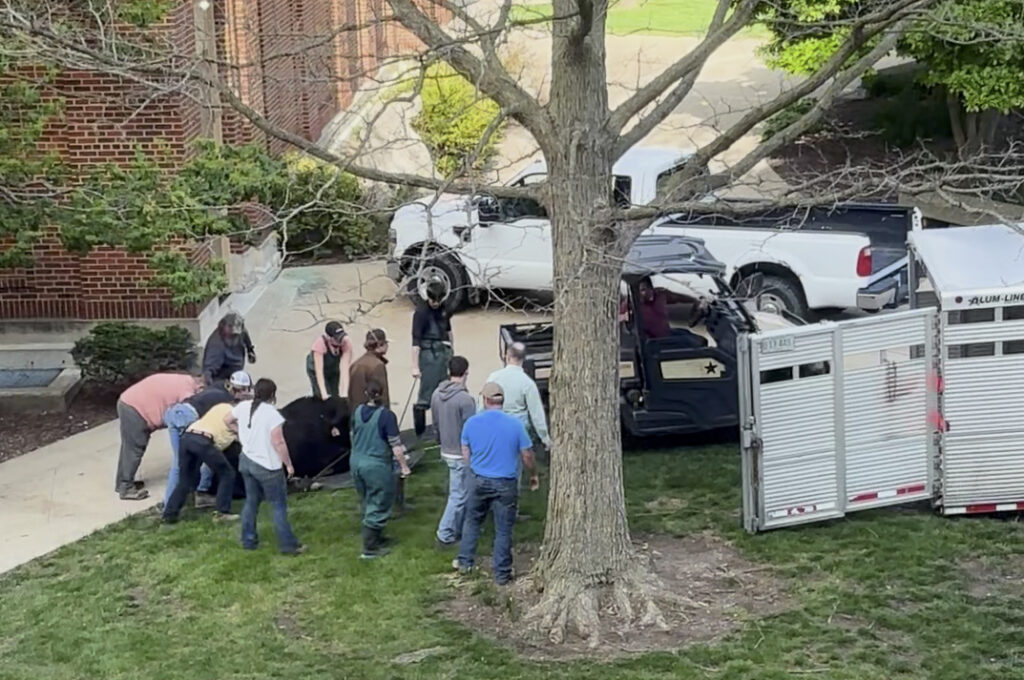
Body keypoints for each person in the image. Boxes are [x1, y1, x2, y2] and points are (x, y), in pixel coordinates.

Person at [455, 382, 539, 585]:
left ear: (485, 400)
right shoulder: (515, 424)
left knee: (472, 521)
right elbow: (527, 455)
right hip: (505, 482)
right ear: (502, 401)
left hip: (478, 479)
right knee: (503, 529)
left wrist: (472, 469)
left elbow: (465, 451)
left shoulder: (472, 423)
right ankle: (501, 574)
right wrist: (534, 474)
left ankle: (465, 562)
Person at [225, 378, 305, 555]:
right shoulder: (272, 414)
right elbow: (279, 442)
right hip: (268, 467)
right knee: (278, 506)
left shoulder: (243, 407)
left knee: (251, 501)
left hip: (246, 461)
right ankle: (288, 545)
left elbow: (227, 420)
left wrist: (242, 434)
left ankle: (248, 540)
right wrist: (289, 465)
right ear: (273, 395)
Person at [163, 371, 252, 509]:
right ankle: (201, 493)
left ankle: (168, 504)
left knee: (179, 464)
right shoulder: (225, 398)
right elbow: (227, 420)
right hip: (188, 417)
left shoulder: (218, 386)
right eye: (243, 391)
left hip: (175, 412)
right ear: (239, 390)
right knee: (205, 455)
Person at [115, 372, 203, 500]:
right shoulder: (188, 391)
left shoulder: (186, 380)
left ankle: (122, 482)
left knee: (129, 446)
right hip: (136, 409)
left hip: (129, 401)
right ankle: (126, 487)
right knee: (134, 448)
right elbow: (186, 416)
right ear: (200, 386)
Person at [350, 379, 410, 559]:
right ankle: (369, 549)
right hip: (376, 465)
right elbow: (396, 446)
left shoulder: (357, 411)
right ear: (382, 394)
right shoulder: (386, 416)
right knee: (379, 502)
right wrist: (404, 466)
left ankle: (378, 538)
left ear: (366, 394)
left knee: (367, 500)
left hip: (356, 462)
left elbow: (353, 435)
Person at [431, 356, 476, 547]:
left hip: (445, 449)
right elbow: (472, 430)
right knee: (459, 495)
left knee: (461, 492)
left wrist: (439, 440)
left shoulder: (435, 394)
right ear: (466, 372)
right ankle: (445, 533)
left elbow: (435, 423)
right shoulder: (466, 400)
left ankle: (460, 527)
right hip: (461, 453)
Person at [487, 341, 551, 456]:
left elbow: (483, 404)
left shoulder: (493, 377)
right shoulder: (527, 383)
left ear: (507, 356)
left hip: (496, 427)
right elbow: (536, 413)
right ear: (523, 359)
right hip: (518, 430)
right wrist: (545, 438)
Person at [411, 282, 453, 438]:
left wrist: (451, 352)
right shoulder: (421, 313)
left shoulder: (444, 308)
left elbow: (448, 331)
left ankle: (443, 429)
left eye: (438, 300)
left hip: (443, 351)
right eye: (433, 300)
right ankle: (420, 432)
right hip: (428, 353)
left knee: (445, 390)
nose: (435, 303)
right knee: (426, 392)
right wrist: (415, 366)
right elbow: (415, 340)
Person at [635, 276, 708, 346]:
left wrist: (694, 300)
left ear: (650, 288)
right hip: (655, 341)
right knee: (696, 344)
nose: (640, 294)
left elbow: (678, 298)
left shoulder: (660, 294)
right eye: (638, 291)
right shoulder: (633, 303)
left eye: (643, 290)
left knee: (701, 339)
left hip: (667, 332)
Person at [202, 313, 256, 385]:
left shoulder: (241, 332)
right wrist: (210, 386)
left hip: (237, 369)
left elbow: (247, 340)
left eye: (236, 334)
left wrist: (250, 351)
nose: (234, 335)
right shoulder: (216, 344)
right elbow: (209, 369)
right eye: (232, 333)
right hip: (222, 375)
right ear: (223, 326)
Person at [306, 320, 354, 400]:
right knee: (321, 395)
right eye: (337, 339)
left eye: (341, 337)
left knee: (335, 394)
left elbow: (345, 368)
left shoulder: (346, 342)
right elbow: (319, 373)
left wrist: (345, 393)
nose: (340, 341)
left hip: (333, 367)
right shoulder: (320, 344)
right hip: (316, 369)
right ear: (328, 337)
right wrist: (324, 395)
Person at [348, 328, 390, 410]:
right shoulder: (378, 365)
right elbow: (383, 396)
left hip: (355, 413)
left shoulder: (355, 364)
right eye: (386, 343)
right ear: (380, 345)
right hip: (372, 415)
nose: (387, 346)